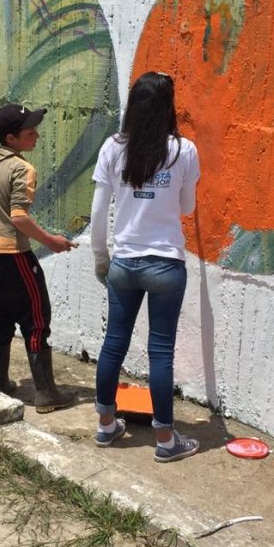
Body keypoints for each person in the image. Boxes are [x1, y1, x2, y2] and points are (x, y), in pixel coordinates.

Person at [88, 72, 202, 463]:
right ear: (168, 106)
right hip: (167, 265)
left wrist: (101, 259)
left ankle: (106, 425)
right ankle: (166, 441)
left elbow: (98, 212)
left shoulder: (113, 148)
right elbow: (186, 208)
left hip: (124, 262)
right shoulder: (183, 150)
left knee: (113, 344)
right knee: (161, 353)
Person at [0, 103, 77, 414]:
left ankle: (1, 381)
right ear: (11, 138)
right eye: (30, 132)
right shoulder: (22, 169)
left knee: (2, 316)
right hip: (12, 255)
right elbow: (19, 217)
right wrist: (51, 241)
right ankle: (46, 394)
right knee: (36, 320)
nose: (37, 136)